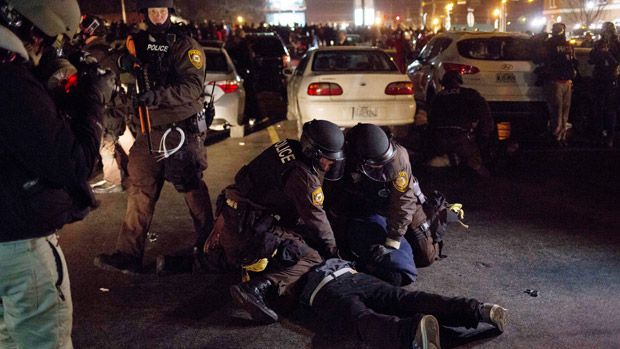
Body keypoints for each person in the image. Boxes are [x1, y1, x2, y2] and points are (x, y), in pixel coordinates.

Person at [0, 0, 113, 347]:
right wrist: (92, 102)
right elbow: (72, 162)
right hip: (18, 247)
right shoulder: (10, 81)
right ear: (35, 32)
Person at [94, 0, 215, 274]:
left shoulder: (185, 44)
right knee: (139, 190)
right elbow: (117, 70)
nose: (159, 17)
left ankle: (213, 247)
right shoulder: (136, 43)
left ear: (170, 13)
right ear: (145, 14)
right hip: (148, 132)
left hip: (181, 131)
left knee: (191, 187)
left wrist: (158, 96)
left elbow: (193, 87)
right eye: (153, 12)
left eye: (162, 12)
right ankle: (128, 254)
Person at [193, 119, 345, 324]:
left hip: (230, 216)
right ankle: (256, 289)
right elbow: (317, 221)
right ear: (313, 152)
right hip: (246, 230)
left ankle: (190, 261)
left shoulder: (287, 146)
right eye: (328, 159)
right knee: (312, 256)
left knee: (271, 240)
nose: (331, 163)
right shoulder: (303, 177)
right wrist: (334, 251)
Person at [324, 123, 448, 287]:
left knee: (425, 257)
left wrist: (393, 241)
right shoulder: (344, 158)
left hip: (399, 202)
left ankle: (431, 220)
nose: (381, 167)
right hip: (363, 202)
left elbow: (403, 202)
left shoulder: (398, 158)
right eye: (376, 165)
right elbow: (331, 194)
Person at [300, 258, 508, 349]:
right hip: (350, 272)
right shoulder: (304, 237)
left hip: (324, 288)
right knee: (406, 299)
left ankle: (412, 334)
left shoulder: (275, 265)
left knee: (361, 319)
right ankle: (479, 310)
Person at [77, 15, 134, 194]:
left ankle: (112, 180)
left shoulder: (91, 53)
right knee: (126, 137)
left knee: (106, 144)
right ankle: (144, 170)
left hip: (106, 106)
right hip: (119, 103)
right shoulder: (107, 49)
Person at [427, 71, 495, 177]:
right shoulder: (471, 94)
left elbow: (431, 120)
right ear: (459, 81)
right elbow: (485, 115)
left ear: (443, 84)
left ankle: (450, 160)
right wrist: (484, 135)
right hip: (462, 139)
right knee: (479, 167)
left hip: (440, 140)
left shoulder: (438, 97)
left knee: (436, 162)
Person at [539, 23, 577, 146]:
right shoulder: (567, 44)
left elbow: (540, 57)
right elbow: (573, 61)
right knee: (562, 111)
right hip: (563, 81)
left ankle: (558, 136)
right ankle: (560, 136)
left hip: (557, 81)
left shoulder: (550, 43)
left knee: (558, 110)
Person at [589, 22, 619, 148]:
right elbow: (591, 60)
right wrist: (598, 53)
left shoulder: (617, 44)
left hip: (610, 79)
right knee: (598, 108)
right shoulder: (598, 43)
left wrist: (607, 54)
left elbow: (616, 62)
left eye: (606, 30)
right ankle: (600, 134)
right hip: (599, 78)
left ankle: (610, 136)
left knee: (610, 109)